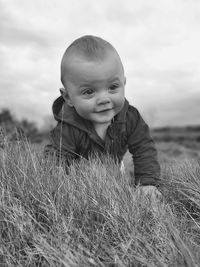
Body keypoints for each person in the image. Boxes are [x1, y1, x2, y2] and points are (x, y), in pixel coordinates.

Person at [44, 35, 161, 198]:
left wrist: (148, 183)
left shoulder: (130, 118)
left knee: (116, 190)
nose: (104, 99)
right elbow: (56, 159)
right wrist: (57, 188)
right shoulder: (68, 127)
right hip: (78, 176)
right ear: (68, 97)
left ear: (124, 83)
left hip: (113, 168)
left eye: (113, 87)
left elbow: (144, 148)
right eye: (89, 92)